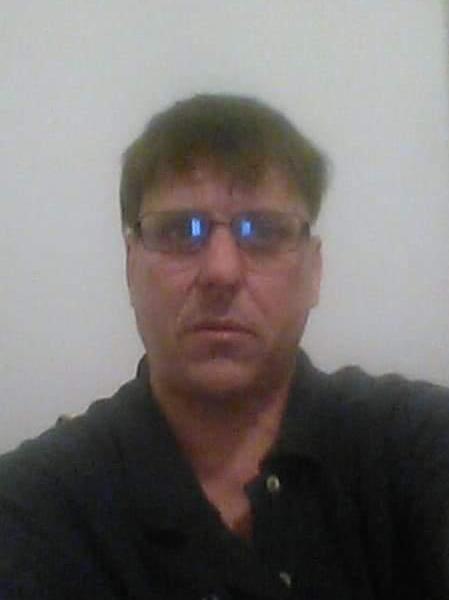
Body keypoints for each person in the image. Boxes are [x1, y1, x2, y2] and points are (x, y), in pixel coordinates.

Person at [1, 94, 448, 600]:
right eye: (179, 231)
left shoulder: (415, 448)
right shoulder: (35, 506)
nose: (221, 271)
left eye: (263, 232)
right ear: (130, 265)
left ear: (314, 271)